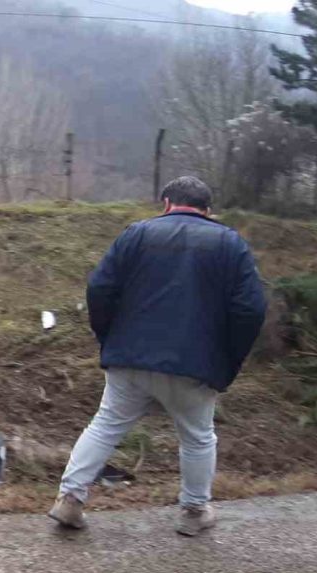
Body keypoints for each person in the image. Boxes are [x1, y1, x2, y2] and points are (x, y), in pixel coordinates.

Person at [48, 176, 267, 537]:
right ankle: (194, 512)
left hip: (129, 357)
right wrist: (228, 359)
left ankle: (70, 500)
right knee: (197, 437)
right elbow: (251, 309)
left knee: (105, 426)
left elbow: (99, 288)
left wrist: (110, 339)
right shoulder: (230, 243)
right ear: (207, 211)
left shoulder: (136, 234)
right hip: (195, 364)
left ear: (166, 203)